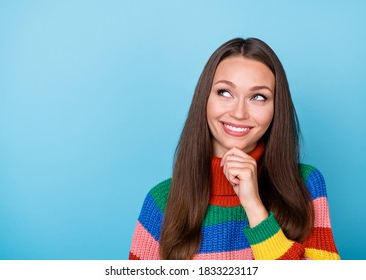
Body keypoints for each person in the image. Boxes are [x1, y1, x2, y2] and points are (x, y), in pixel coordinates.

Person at [129, 37, 340, 260]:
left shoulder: (305, 185)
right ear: (205, 99)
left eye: (258, 97)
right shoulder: (162, 201)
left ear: (276, 108)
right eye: (225, 93)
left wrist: (255, 208)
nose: (239, 113)